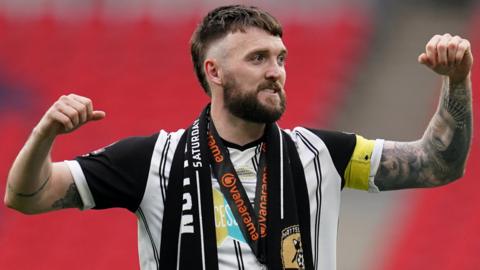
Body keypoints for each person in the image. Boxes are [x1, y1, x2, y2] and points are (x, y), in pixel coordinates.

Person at [4, 4, 473, 270]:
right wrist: (44, 135)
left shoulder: (323, 154)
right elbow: (28, 195)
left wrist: (456, 83)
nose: (276, 72)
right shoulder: (151, 160)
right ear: (215, 72)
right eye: (258, 59)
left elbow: (436, 163)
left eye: (281, 58)